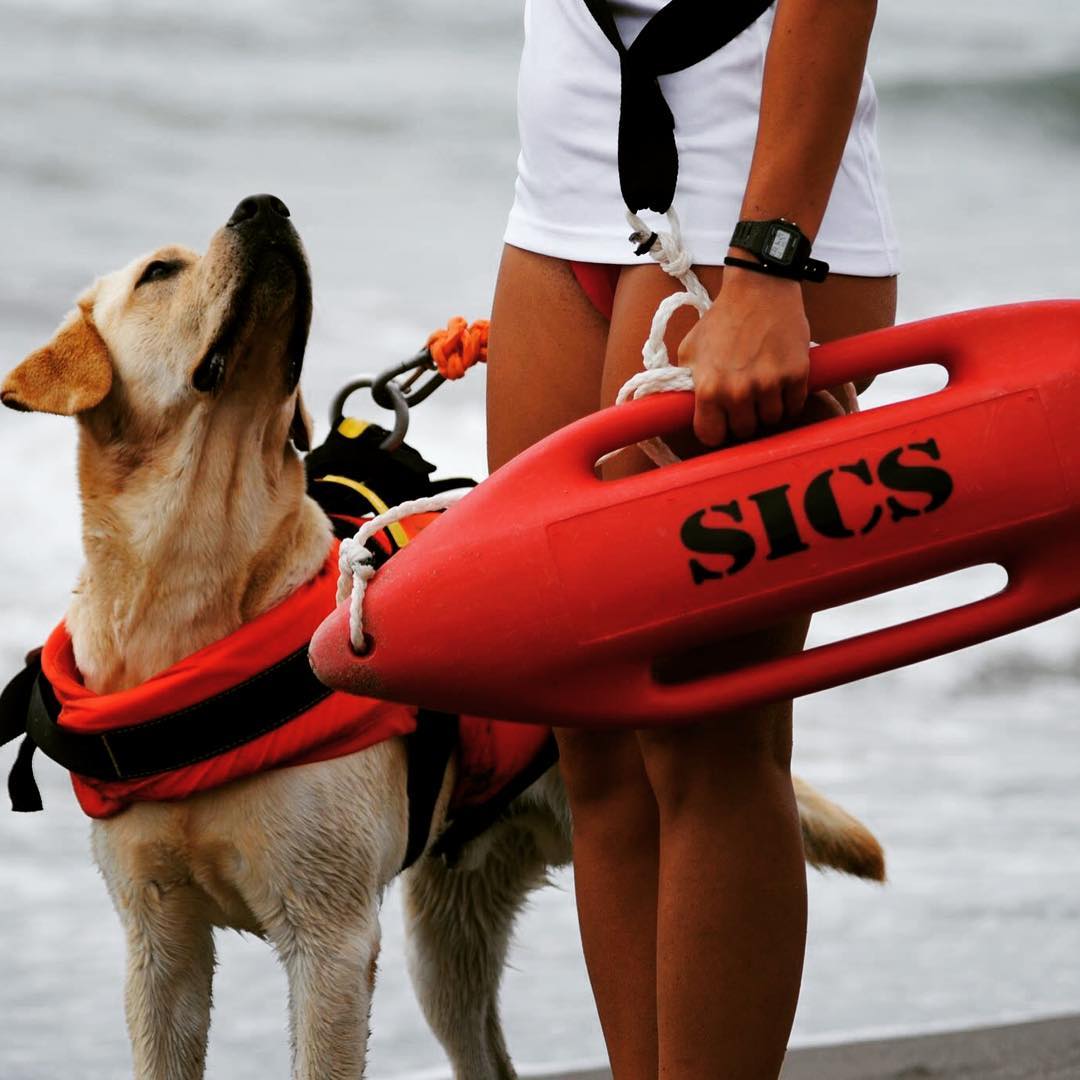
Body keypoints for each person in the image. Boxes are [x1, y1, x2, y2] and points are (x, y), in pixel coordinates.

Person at [487, 0, 898, 1076]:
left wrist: (769, 264)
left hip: (749, 217)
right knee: (594, 739)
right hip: (561, 199)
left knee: (706, 736)